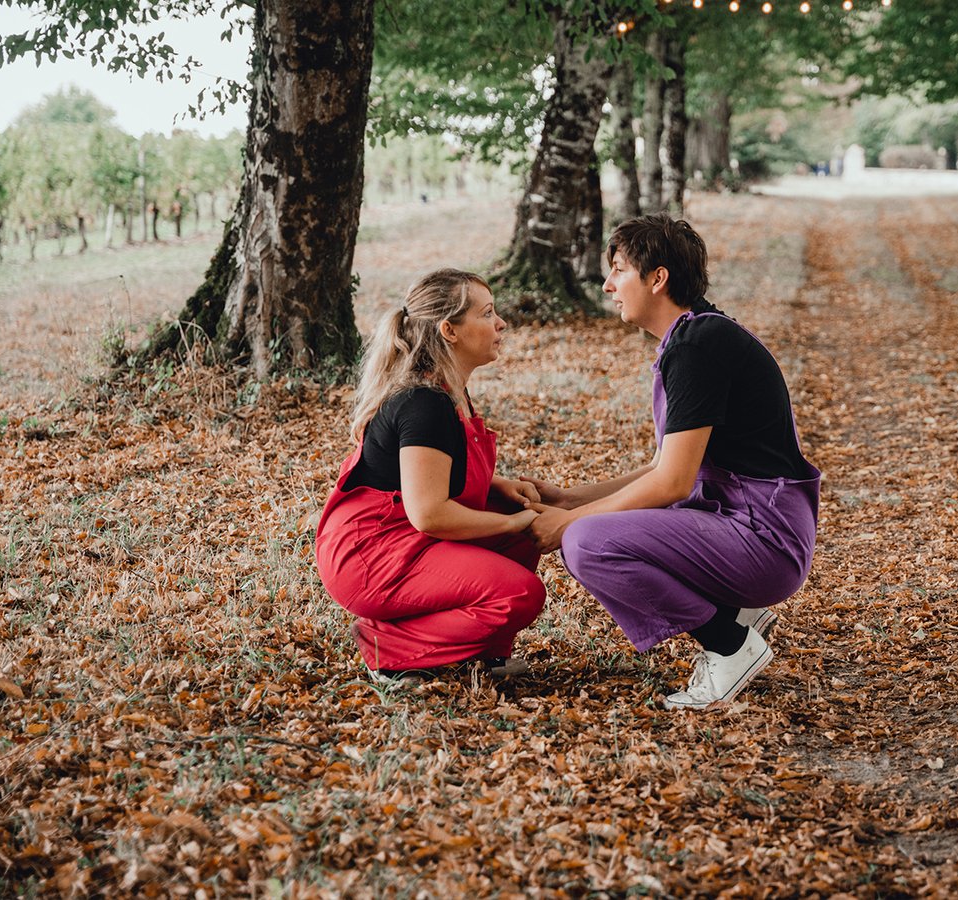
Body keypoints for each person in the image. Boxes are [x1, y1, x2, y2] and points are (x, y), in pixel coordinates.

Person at [527, 214, 820, 711]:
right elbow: (669, 464)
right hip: (748, 522)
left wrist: (570, 520)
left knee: (586, 544)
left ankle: (728, 645)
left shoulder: (699, 347)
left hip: (764, 536)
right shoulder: (698, 336)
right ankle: (735, 615)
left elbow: (672, 482)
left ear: (657, 278)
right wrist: (572, 496)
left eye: (618, 269)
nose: (608, 284)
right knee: (594, 526)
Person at [315, 268, 546, 684]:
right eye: (488, 313)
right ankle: (389, 647)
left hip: (405, 536)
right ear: (449, 330)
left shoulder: (450, 392)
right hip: (372, 554)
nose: (501, 323)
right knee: (521, 593)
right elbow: (431, 514)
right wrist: (511, 521)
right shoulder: (425, 403)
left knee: (516, 530)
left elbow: (423, 475)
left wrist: (498, 489)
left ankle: (485, 656)